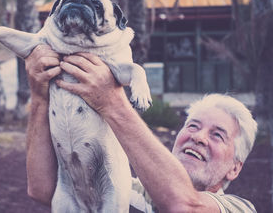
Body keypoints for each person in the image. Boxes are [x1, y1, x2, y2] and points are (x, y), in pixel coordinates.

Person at [25, 45, 258, 212]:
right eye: (192, 126)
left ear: (235, 169)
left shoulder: (238, 208)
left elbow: (184, 206)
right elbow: (42, 189)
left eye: (217, 135)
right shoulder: (130, 191)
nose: (198, 137)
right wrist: (39, 96)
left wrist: (111, 101)